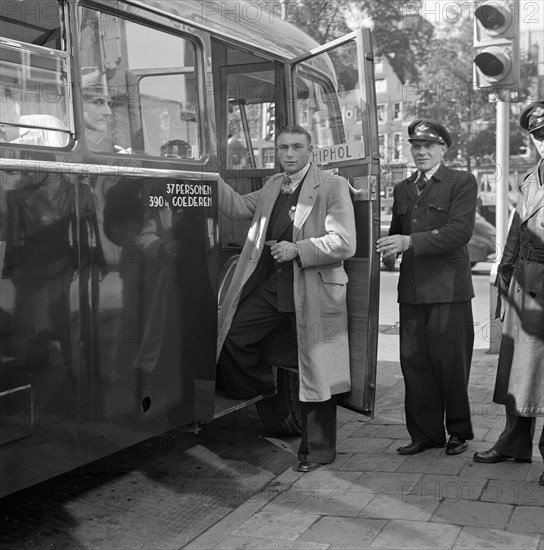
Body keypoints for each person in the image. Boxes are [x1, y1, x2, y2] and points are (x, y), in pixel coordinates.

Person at [218, 125, 356, 472]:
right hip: (274, 289)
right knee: (234, 333)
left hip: (314, 288)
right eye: (282, 148)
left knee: (316, 365)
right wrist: (208, 175)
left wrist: (299, 249)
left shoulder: (331, 185)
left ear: (312, 151)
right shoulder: (272, 185)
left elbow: (344, 242)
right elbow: (235, 207)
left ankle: (318, 451)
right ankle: (265, 383)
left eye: (296, 147)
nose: (289, 154)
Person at [376, 119, 477, 456]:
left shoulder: (461, 182)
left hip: (449, 290)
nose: (420, 152)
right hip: (413, 291)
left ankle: (458, 432)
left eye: (428, 146)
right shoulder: (403, 188)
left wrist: (409, 241)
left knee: (451, 362)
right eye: (415, 146)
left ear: (443, 149)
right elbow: (396, 230)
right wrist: (385, 252)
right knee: (415, 363)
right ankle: (425, 434)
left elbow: (458, 232)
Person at [473, 101, 544, 487]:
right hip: (524, 282)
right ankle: (514, 444)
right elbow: (518, 229)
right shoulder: (531, 177)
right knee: (519, 367)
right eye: (537, 136)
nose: (543, 141)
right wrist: (504, 273)